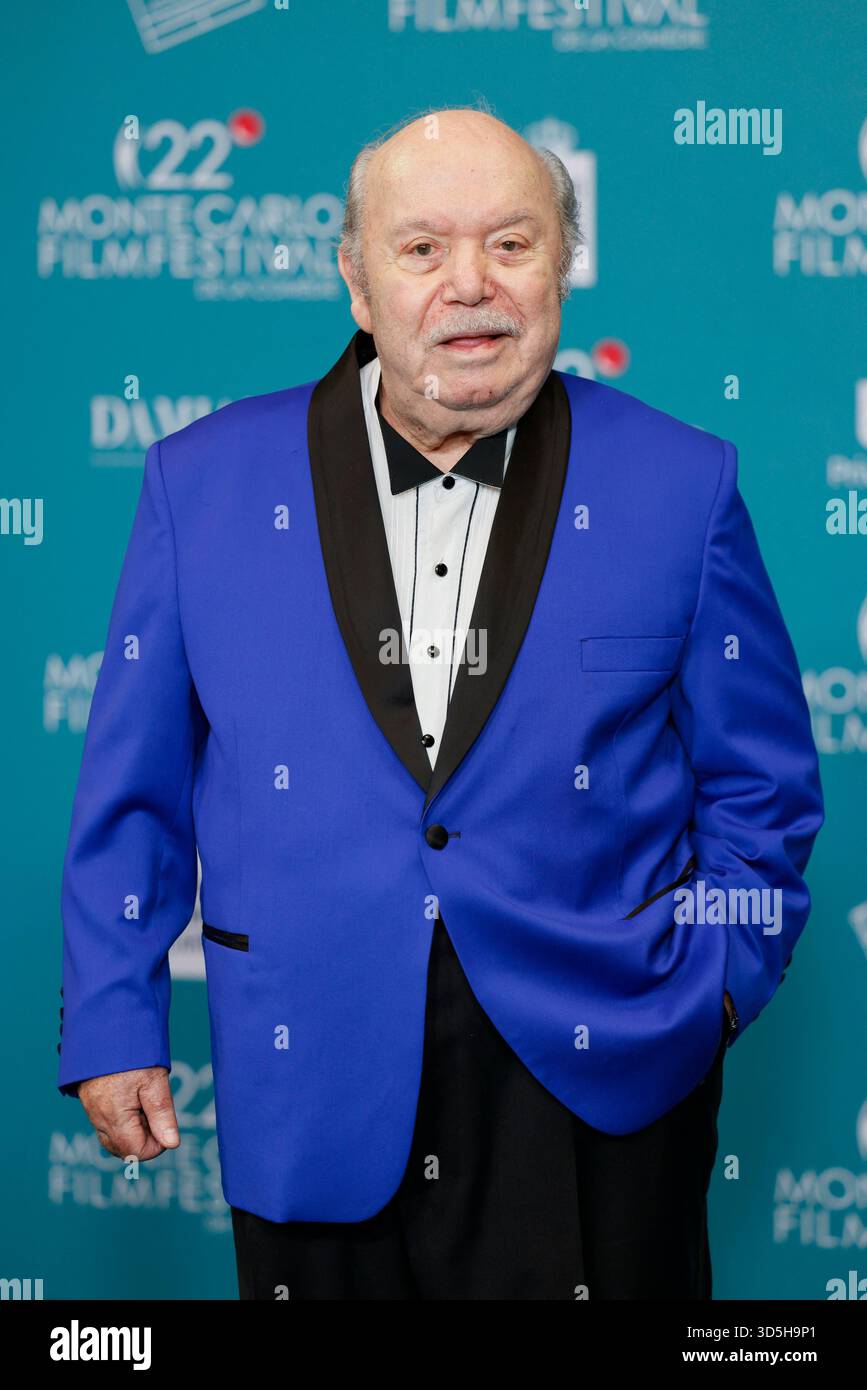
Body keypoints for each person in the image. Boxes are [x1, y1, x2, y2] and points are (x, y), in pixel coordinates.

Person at [58, 106, 824, 1300]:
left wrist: (714, 985)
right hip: (312, 1070)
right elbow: (132, 790)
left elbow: (763, 786)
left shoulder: (685, 483)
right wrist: (111, 1018)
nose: (471, 285)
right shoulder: (200, 484)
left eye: (511, 244)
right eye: (423, 250)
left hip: (598, 1078)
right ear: (357, 280)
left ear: (562, 265)